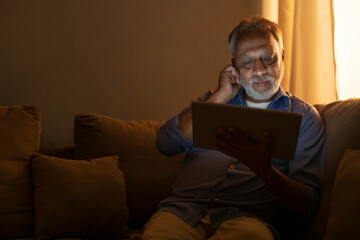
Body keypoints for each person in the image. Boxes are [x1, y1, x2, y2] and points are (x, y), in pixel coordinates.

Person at [142, 16, 325, 240]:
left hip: (249, 221)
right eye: (248, 62)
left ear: (283, 58)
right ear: (234, 65)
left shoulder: (305, 118)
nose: (259, 70)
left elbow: (305, 206)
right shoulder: (215, 102)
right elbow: (164, 143)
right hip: (184, 213)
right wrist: (219, 96)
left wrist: (264, 169)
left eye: (268, 58)